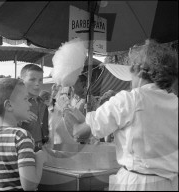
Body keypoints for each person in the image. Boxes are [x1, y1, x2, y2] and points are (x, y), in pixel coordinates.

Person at [72, 39, 178, 191]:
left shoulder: (130, 99)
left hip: (138, 183)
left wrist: (66, 110)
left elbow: (78, 133)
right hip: (171, 184)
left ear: (139, 71)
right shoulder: (175, 102)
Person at [0, 77, 48, 191]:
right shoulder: (21, 136)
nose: (30, 104)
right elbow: (29, 186)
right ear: (9, 105)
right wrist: (39, 159)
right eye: (25, 99)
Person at [20, 64, 49, 152]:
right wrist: (19, 117)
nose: (37, 84)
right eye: (32, 80)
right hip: (23, 149)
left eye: (40, 80)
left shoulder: (42, 103)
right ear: (22, 81)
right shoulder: (15, 103)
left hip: (40, 147)